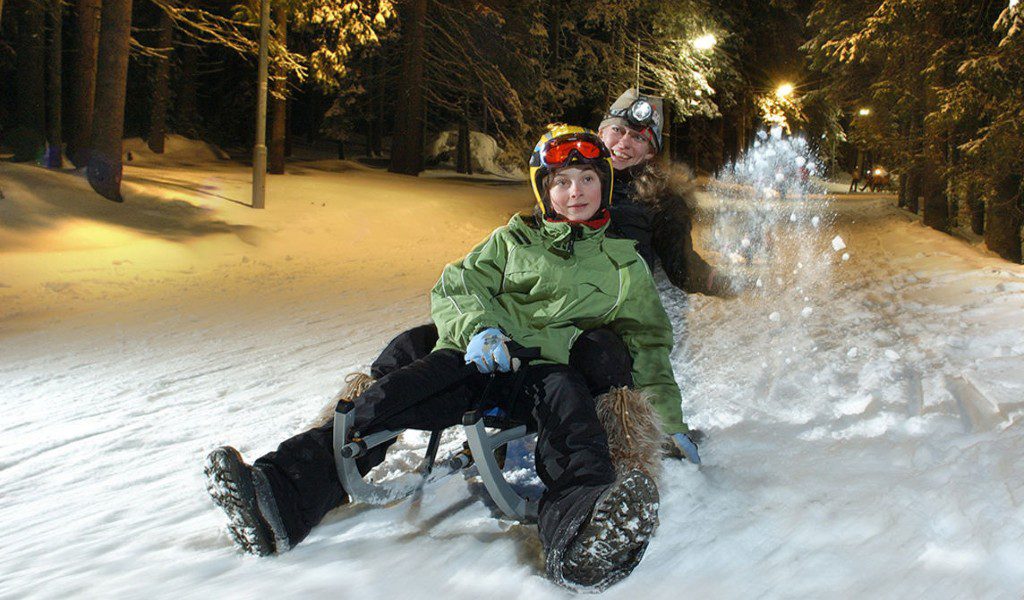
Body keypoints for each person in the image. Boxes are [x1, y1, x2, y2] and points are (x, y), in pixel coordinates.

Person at [205, 126, 685, 591]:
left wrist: (668, 422)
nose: (575, 192)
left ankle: (581, 530)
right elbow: (458, 285)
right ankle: (282, 495)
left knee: (573, 424)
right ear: (544, 190)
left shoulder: (623, 264)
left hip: (545, 370)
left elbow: (647, 342)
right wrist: (480, 331)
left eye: (587, 180)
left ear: (605, 184)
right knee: (389, 397)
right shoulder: (512, 240)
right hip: (480, 359)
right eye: (561, 182)